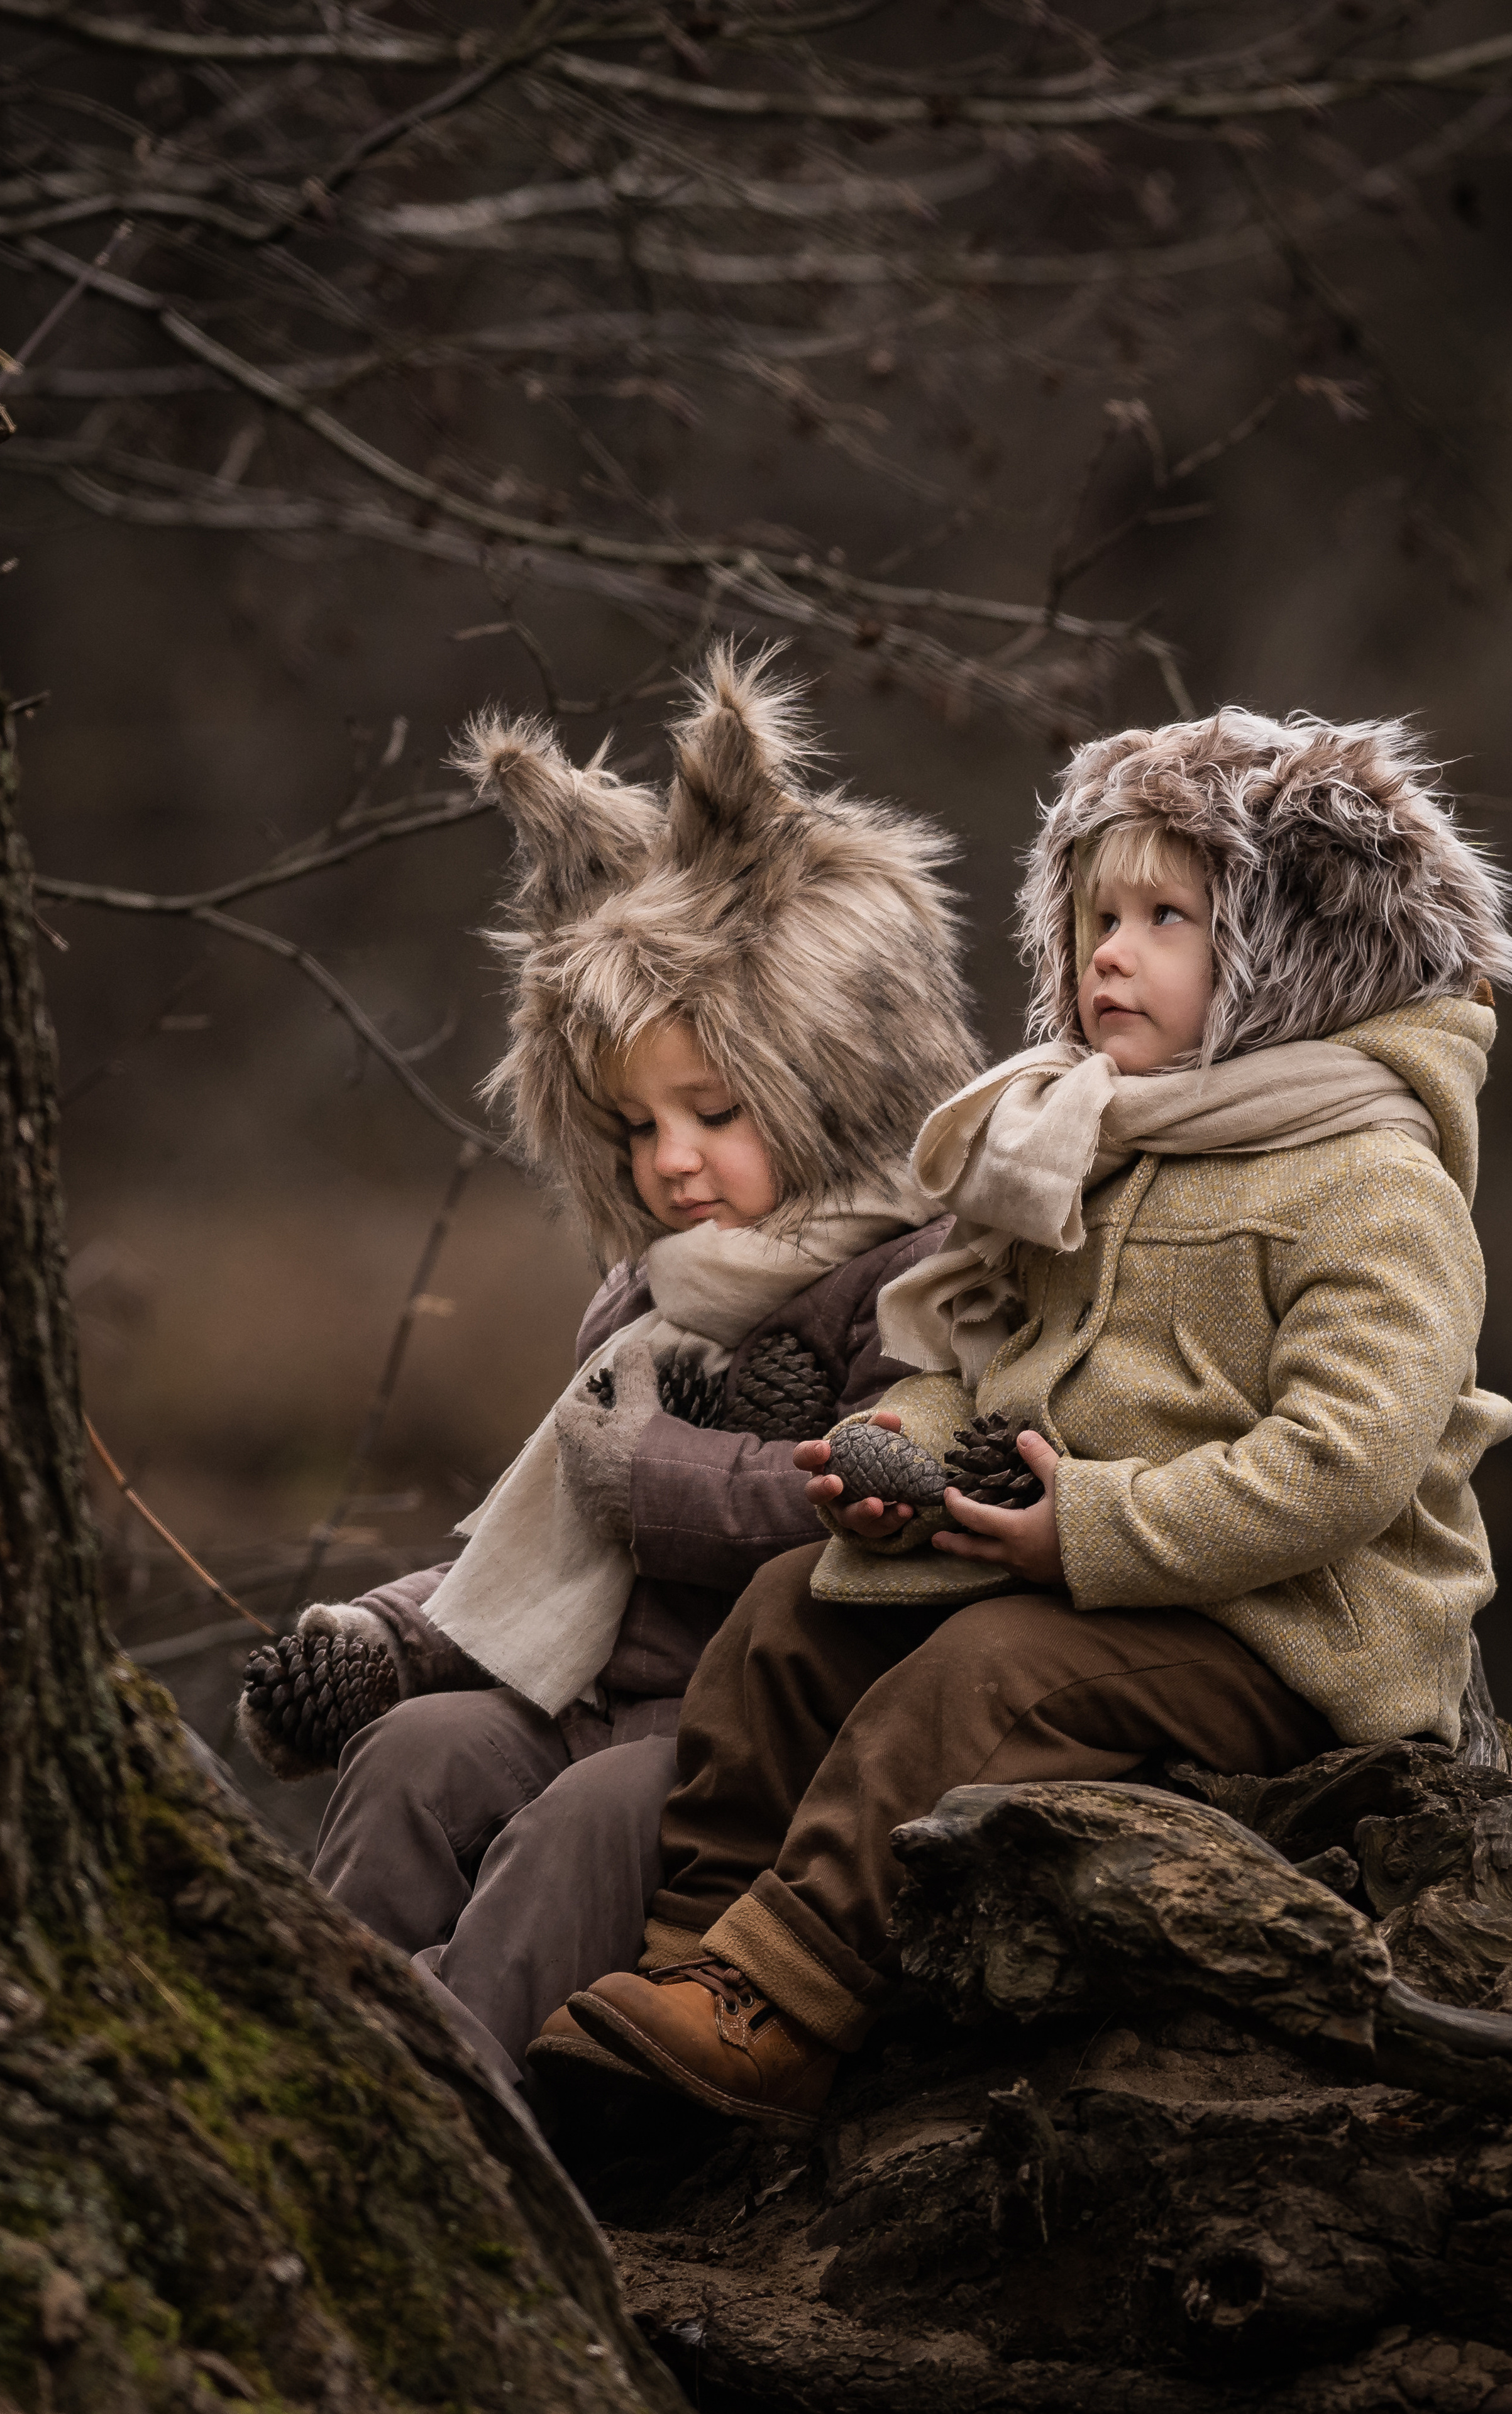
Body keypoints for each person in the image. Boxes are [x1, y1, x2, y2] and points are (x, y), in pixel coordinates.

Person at [553, 705, 1512, 2130]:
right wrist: (899, 1446)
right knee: (786, 1616)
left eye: (1163, 917)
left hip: (1282, 1630)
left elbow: (1342, 1465)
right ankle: (686, 1969)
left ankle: (783, 2005)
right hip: (1071, 1566)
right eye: (1090, 918)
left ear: (1295, 956)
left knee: (990, 1679)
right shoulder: (1088, 1141)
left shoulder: (1369, 1179)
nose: (1108, 955)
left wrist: (1084, 1530)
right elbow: (991, 1347)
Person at [236, 646, 979, 2090]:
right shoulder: (647, 1293)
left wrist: (671, 1471)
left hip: (750, 1748)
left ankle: (459, 2106)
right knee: (416, 1756)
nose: (671, 1161)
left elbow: (889, 1498)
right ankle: (307, 2069)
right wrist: (391, 1636)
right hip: (579, 1695)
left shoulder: (907, 1273)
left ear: (830, 1081)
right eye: (633, 1128)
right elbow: (553, 1526)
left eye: (711, 1109)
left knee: (583, 1822)